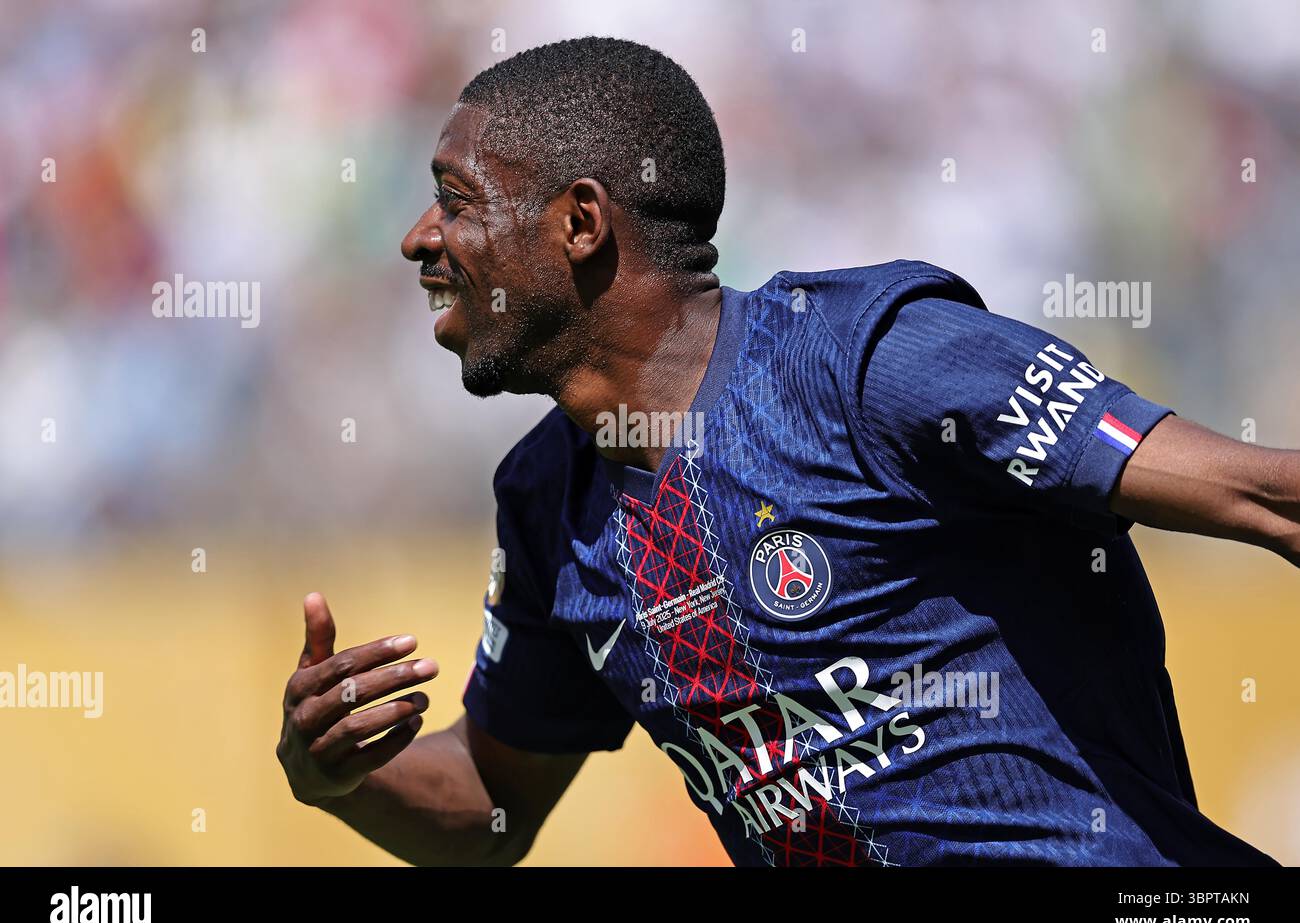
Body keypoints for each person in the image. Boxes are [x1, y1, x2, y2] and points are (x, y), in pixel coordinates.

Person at [277, 37, 1295, 866]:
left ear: (580, 222)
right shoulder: (549, 500)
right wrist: (339, 778)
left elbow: (1263, 496)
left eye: (456, 199)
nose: (418, 237)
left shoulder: (871, 363)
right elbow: (494, 798)